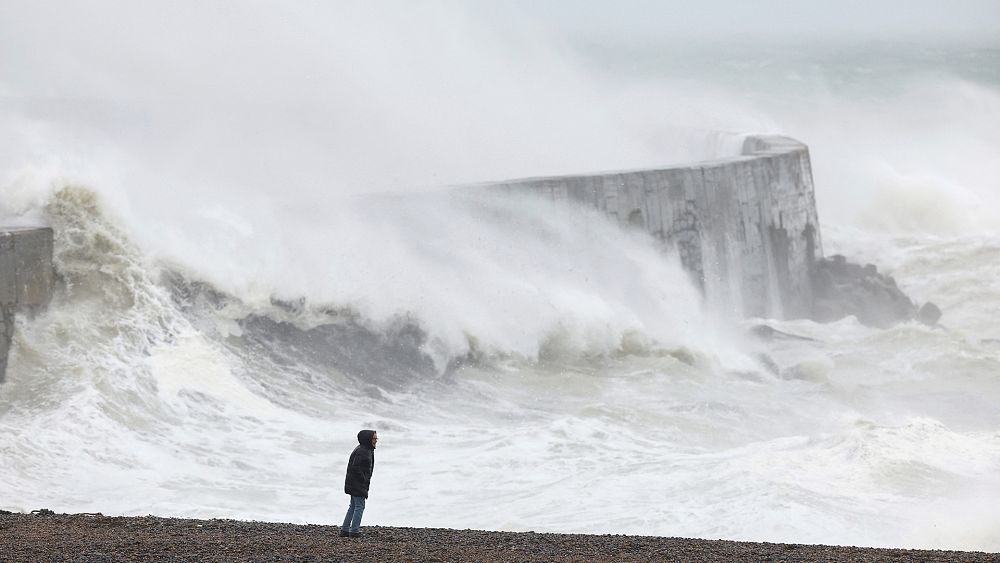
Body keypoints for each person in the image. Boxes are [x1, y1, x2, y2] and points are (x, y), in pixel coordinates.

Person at [340, 429, 377, 538]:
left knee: (353, 506)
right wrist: (364, 479)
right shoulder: (364, 451)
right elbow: (356, 467)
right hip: (357, 484)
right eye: (374, 438)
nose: (376, 441)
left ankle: (345, 529)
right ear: (368, 439)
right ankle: (354, 530)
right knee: (359, 506)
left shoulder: (365, 449)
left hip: (354, 483)